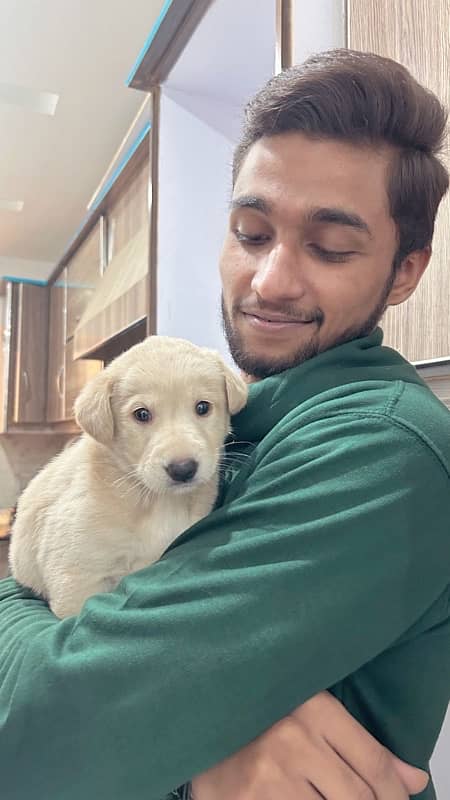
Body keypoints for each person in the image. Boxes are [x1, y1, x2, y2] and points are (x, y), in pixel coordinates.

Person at [0, 47, 449, 800]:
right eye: (250, 232)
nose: (270, 281)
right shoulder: (248, 421)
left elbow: (39, 734)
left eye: (331, 247)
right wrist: (196, 741)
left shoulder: (377, 446)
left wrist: (148, 730)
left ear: (405, 271)